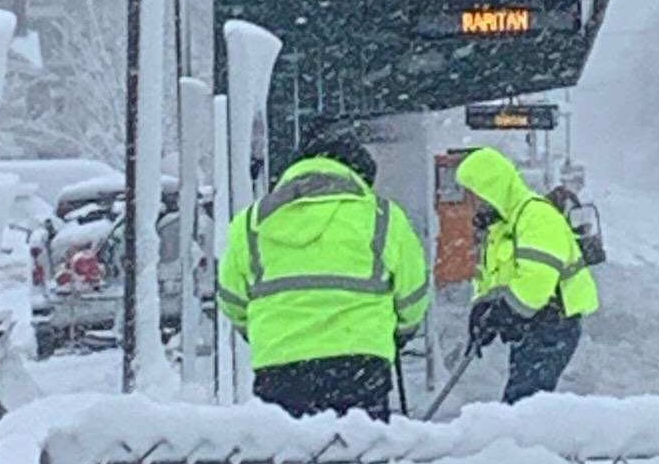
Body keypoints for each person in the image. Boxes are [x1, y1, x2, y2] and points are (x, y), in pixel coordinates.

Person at [217, 121, 430, 420]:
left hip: (280, 371)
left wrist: (270, 333)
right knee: (361, 459)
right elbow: (413, 295)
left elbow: (230, 299)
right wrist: (398, 333)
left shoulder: (251, 223)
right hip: (360, 366)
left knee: (293, 459)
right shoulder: (383, 217)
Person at [456, 145, 598, 403]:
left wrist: (504, 313)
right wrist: (482, 309)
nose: (473, 203)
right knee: (522, 401)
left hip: (554, 323)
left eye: (475, 194)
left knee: (523, 403)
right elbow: (492, 277)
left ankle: (538, 441)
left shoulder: (536, 216)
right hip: (533, 326)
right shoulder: (500, 228)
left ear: (492, 189)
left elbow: (537, 281)